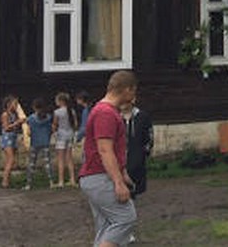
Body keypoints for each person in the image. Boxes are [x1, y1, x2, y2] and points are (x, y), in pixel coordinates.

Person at [80, 70, 139, 247]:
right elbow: (105, 150)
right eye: (134, 90)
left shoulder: (106, 111)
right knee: (125, 219)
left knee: (106, 226)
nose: (135, 95)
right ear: (127, 89)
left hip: (96, 177)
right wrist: (118, 182)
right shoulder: (105, 113)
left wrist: (123, 173)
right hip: (100, 176)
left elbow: (113, 149)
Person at [123, 98, 154, 198]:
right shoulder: (116, 117)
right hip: (121, 155)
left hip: (137, 154)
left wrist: (145, 151)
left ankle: (134, 191)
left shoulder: (142, 116)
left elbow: (149, 135)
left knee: (135, 174)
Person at [24, 97, 54, 190]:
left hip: (35, 143)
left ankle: (28, 184)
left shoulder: (30, 119)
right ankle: (51, 182)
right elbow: (51, 130)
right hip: (45, 142)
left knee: (32, 164)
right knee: (47, 163)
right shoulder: (48, 117)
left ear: (34, 107)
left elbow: (28, 133)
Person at [0, 95, 26, 189]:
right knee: (11, 159)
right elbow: (6, 128)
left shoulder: (14, 114)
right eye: (15, 103)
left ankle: (7, 181)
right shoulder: (5, 114)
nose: (17, 105)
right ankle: (4, 182)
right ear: (9, 104)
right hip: (7, 139)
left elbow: (15, 126)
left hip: (12, 138)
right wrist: (17, 122)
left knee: (10, 160)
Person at [52, 91, 78, 187]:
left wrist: (54, 132)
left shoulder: (57, 112)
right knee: (69, 158)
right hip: (70, 134)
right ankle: (72, 180)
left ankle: (61, 181)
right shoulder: (72, 111)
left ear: (61, 101)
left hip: (61, 135)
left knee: (61, 159)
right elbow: (75, 124)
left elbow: (55, 125)